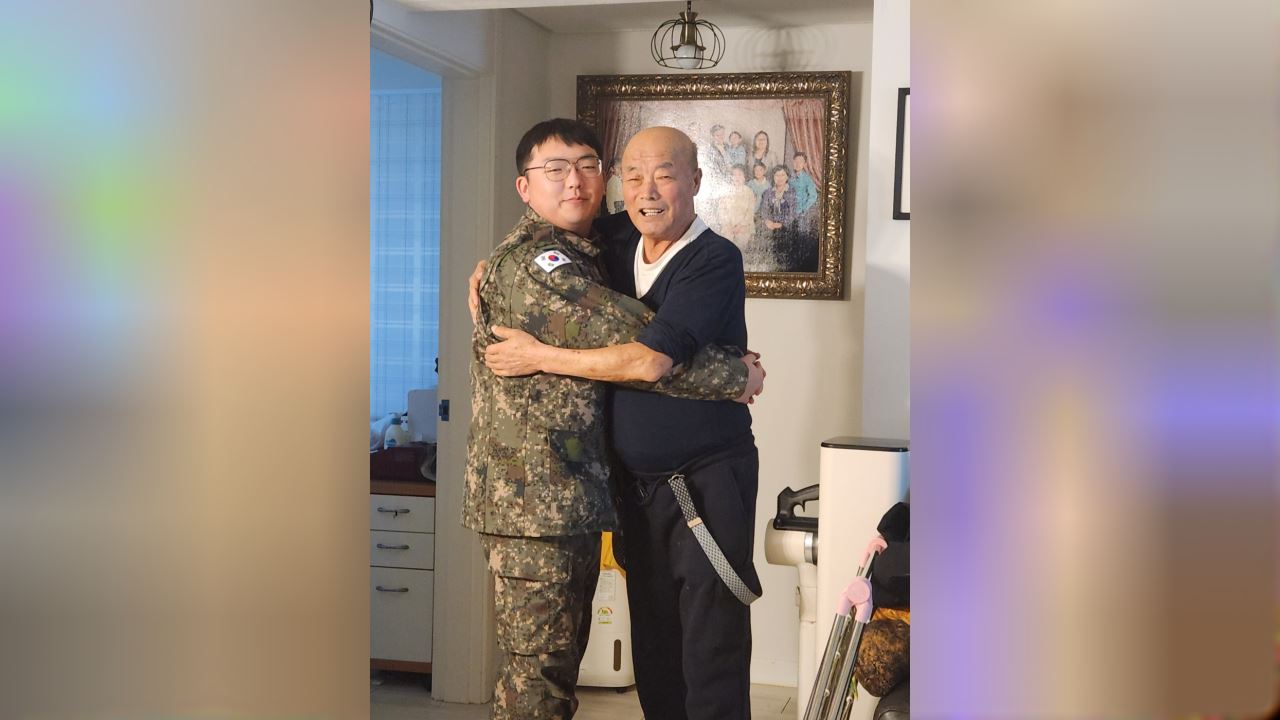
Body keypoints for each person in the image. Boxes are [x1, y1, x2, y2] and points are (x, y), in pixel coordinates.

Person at [465, 118, 763, 720]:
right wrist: (735, 375)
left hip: (694, 481)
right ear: (525, 186)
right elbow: (638, 346)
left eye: (587, 168)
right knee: (604, 659)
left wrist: (534, 344)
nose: (646, 191)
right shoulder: (571, 256)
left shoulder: (687, 253)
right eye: (633, 176)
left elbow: (649, 356)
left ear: (696, 180)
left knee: (706, 649)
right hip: (572, 501)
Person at [757, 164, 807, 271]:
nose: (779, 178)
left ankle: (783, 267)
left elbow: (792, 213)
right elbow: (764, 209)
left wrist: (781, 224)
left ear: (787, 177)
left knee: (784, 243)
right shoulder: (768, 192)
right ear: (773, 177)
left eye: (782, 175)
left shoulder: (792, 192)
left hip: (786, 225)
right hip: (770, 225)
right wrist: (767, 221)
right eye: (777, 175)